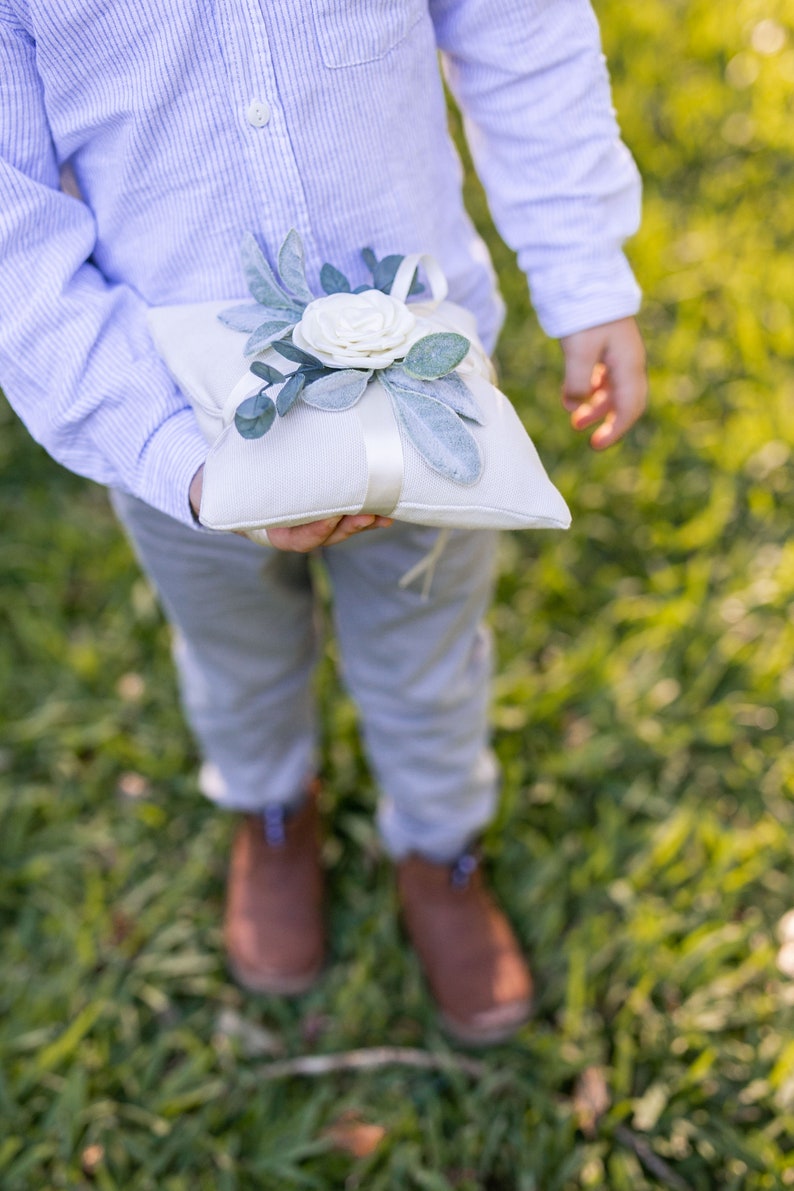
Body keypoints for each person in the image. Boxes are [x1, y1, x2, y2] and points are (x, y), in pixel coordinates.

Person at [0, 0, 646, 1044]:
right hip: (176, 404)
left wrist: (584, 277)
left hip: (424, 377)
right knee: (234, 645)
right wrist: (175, 457)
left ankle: (439, 845)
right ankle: (271, 805)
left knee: (427, 645)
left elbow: (520, 32)